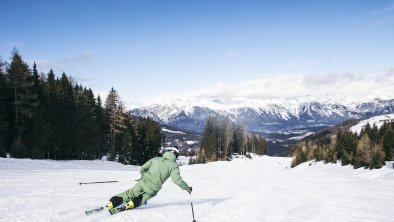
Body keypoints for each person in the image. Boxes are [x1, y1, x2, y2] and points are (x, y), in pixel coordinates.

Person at [107, 147, 192, 214]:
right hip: (153, 187)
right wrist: (187, 188)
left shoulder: (155, 159)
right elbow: (177, 180)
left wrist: (143, 175)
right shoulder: (174, 166)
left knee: (131, 192)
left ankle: (111, 203)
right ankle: (132, 203)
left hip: (143, 181)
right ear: (176, 156)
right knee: (145, 196)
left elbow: (143, 167)